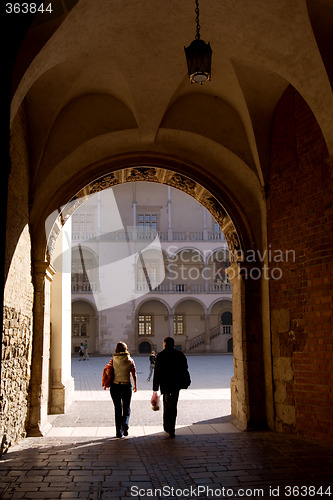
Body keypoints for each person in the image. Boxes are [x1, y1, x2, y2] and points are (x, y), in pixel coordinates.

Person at [152, 337, 190, 438]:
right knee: (173, 405)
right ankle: (171, 428)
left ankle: (167, 427)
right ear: (173, 344)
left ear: (165, 344)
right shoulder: (179, 354)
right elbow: (185, 367)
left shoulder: (161, 355)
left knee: (167, 405)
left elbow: (157, 372)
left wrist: (155, 387)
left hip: (165, 384)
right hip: (176, 384)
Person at [107, 342, 137, 438]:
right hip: (126, 386)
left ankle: (118, 432)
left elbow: (108, 371)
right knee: (127, 408)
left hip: (115, 386)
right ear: (126, 349)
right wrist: (135, 385)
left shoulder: (113, 359)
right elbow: (134, 373)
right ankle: (125, 423)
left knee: (117, 409)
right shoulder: (130, 360)